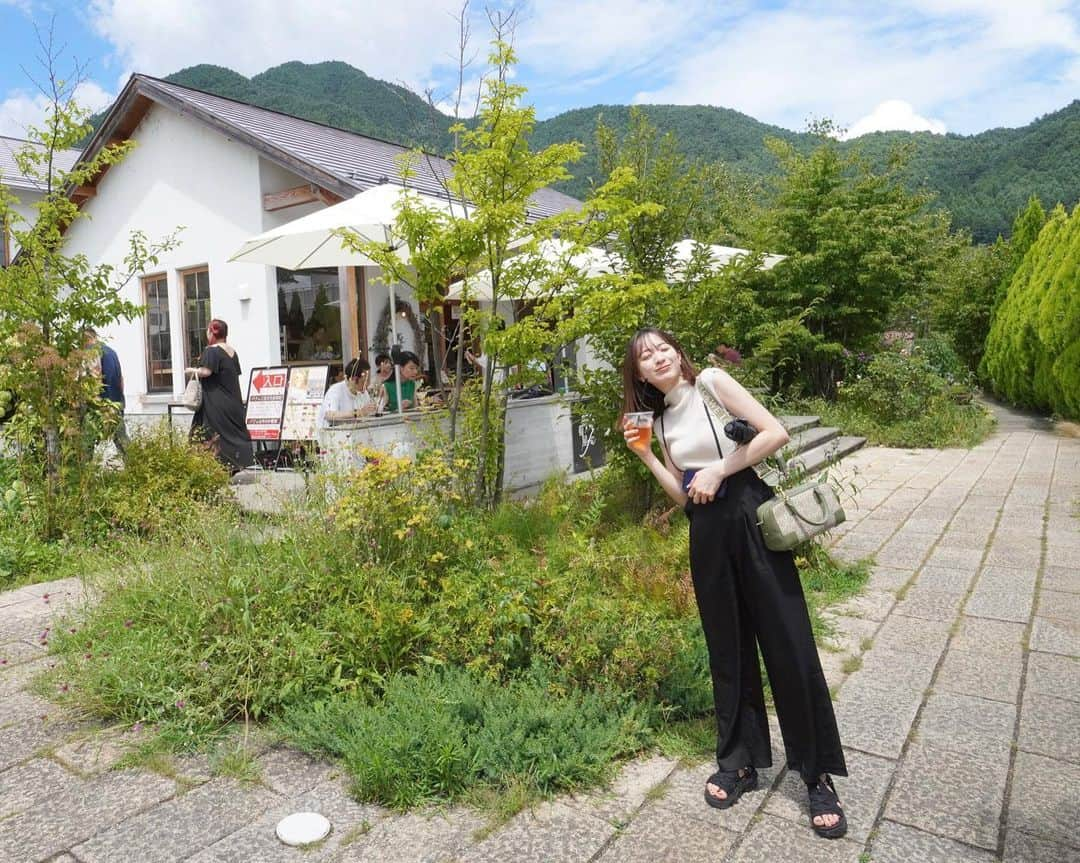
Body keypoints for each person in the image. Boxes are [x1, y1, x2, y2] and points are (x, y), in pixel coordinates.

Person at [621, 327, 848, 839]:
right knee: (728, 650)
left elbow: (774, 433)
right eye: (644, 357)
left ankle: (817, 776)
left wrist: (720, 469)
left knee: (788, 642)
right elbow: (685, 496)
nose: (657, 359)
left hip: (750, 513)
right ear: (638, 374)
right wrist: (646, 457)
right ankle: (740, 761)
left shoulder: (714, 383)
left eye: (662, 349)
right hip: (707, 531)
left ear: (678, 353)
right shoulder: (657, 420)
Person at [185, 319, 254, 474]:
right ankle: (235, 463)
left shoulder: (212, 351)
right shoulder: (232, 352)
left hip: (216, 402)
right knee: (232, 433)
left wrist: (191, 371)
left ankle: (209, 468)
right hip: (233, 401)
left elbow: (206, 372)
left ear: (211, 332)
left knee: (208, 433)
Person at [83, 328, 130, 456]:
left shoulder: (92, 351)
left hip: (101, 404)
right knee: (121, 439)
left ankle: (84, 473)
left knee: (87, 442)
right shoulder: (112, 352)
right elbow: (121, 380)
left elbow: (95, 376)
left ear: (86, 338)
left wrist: (94, 402)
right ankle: (134, 467)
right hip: (116, 402)